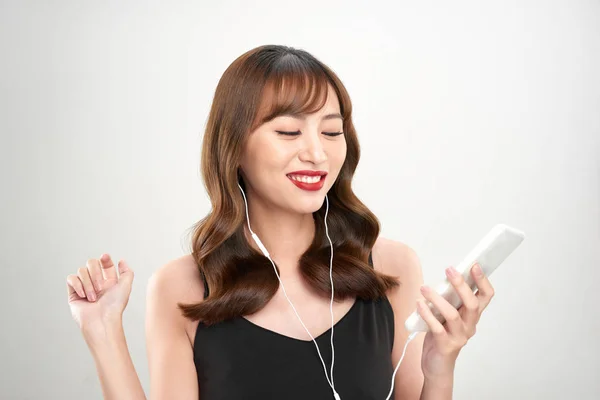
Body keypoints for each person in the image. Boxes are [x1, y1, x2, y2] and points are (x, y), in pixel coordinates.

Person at [66, 45, 495, 400]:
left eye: (331, 131)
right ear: (234, 147)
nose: (317, 153)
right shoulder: (181, 287)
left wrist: (440, 367)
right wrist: (102, 331)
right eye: (289, 132)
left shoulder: (390, 268)